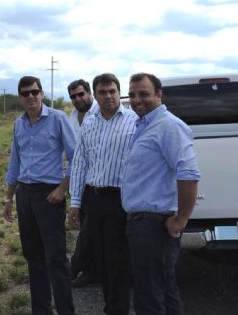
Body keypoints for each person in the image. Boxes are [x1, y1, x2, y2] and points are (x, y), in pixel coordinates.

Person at [122, 72, 201, 315]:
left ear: (159, 94)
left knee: (149, 296)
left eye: (144, 94)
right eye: (133, 95)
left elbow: (188, 174)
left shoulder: (168, 126)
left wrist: (182, 219)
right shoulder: (144, 125)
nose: (137, 100)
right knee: (164, 291)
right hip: (144, 224)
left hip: (153, 226)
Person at [3, 76, 77, 315]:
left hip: (50, 196)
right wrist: (9, 198)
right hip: (25, 196)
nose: (31, 96)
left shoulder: (58, 119)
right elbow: (15, 162)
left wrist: (62, 189)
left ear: (42, 94)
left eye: (35, 92)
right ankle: (41, 310)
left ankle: (66, 310)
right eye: (25, 93)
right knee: (33, 256)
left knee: (55, 259)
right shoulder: (18, 124)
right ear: (20, 98)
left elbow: (75, 157)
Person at [69, 73, 137, 315]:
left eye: (112, 91)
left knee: (117, 260)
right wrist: (75, 202)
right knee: (99, 259)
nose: (108, 96)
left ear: (119, 93)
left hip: (120, 200)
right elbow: (79, 163)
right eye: (103, 92)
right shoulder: (89, 122)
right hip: (93, 198)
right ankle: (110, 306)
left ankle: (117, 310)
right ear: (95, 95)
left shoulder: (134, 122)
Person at [66, 79, 100, 287]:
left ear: (90, 94)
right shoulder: (71, 119)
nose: (78, 99)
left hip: (98, 184)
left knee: (89, 229)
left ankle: (74, 267)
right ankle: (90, 270)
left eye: (81, 94)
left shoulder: (99, 114)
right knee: (87, 229)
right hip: (77, 182)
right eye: (73, 96)